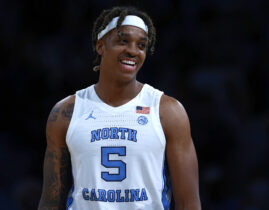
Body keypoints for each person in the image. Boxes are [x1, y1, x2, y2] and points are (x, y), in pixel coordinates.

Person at [38, 6, 201, 210]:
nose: (133, 51)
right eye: (123, 41)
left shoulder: (168, 111)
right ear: (100, 46)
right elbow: (50, 201)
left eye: (141, 45)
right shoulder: (66, 112)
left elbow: (189, 204)